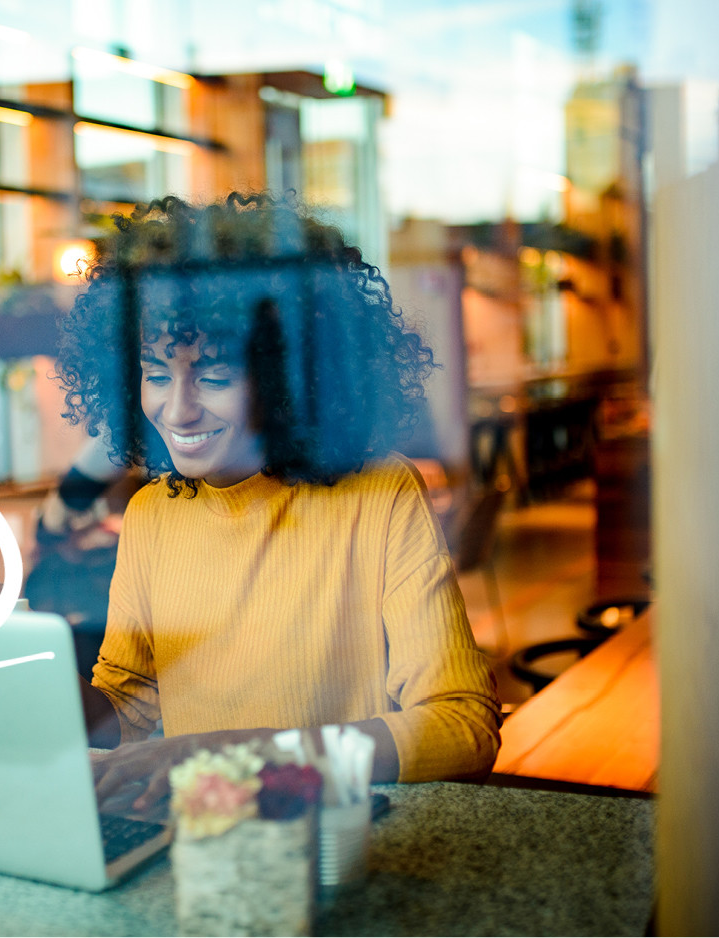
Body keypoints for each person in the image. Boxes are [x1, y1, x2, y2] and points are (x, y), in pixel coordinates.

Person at [53, 193, 501, 813]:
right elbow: (129, 710)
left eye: (213, 377)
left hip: (330, 839)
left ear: (288, 378)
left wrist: (243, 754)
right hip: (208, 836)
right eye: (156, 375)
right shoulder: (152, 513)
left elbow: (462, 729)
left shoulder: (379, 495)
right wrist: (32, 684)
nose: (176, 409)